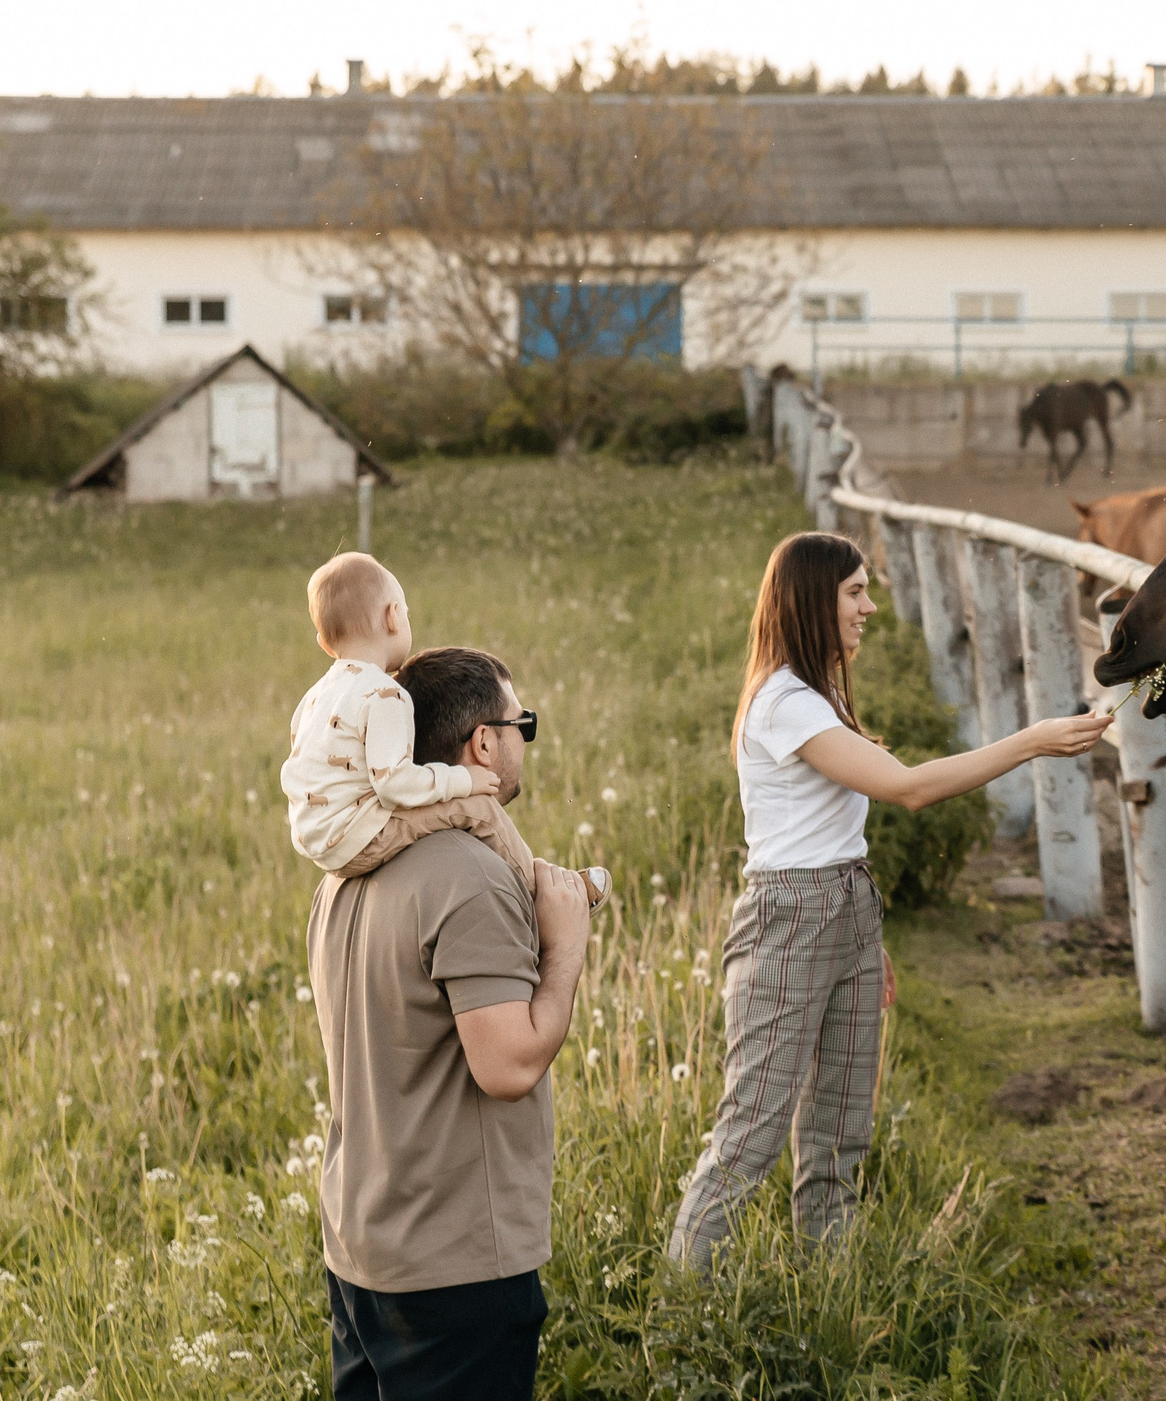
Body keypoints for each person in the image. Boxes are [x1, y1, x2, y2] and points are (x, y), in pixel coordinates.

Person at [666, 531, 1112, 1266]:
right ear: (814, 599)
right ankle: (684, 1309)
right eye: (855, 591)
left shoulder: (822, 692)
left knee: (841, 1134)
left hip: (844, 906)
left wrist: (865, 941)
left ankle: (829, 1295)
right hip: (789, 920)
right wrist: (1030, 741)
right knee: (751, 1133)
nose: (870, 607)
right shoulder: (782, 700)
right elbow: (905, 788)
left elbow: (833, 832)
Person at [310, 645, 591, 1401]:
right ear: (482, 744)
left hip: (361, 1244)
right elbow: (509, 1066)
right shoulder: (467, 875)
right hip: (454, 1261)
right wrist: (564, 951)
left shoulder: (346, 870)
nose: (524, 737)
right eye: (520, 722)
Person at [286, 551, 606, 906]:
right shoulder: (384, 693)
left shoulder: (315, 696)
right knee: (478, 809)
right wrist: (464, 781)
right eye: (406, 613)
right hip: (357, 838)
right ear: (393, 617)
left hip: (319, 843)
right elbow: (394, 786)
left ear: (324, 642)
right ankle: (544, 899)